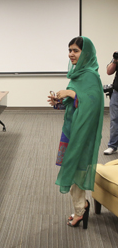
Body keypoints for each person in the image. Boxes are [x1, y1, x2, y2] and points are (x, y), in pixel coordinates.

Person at [47, 36, 103, 228]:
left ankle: (81, 209)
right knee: (73, 167)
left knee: (77, 169)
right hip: (72, 128)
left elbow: (94, 105)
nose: (71, 54)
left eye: (75, 51)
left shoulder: (91, 75)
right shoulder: (77, 74)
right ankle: (81, 207)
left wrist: (71, 94)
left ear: (85, 53)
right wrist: (59, 102)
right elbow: (74, 105)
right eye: (69, 50)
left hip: (84, 133)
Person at [104, 52, 118, 155]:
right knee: (114, 119)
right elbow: (109, 71)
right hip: (117, 92)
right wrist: (115, 60)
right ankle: (112, 146)